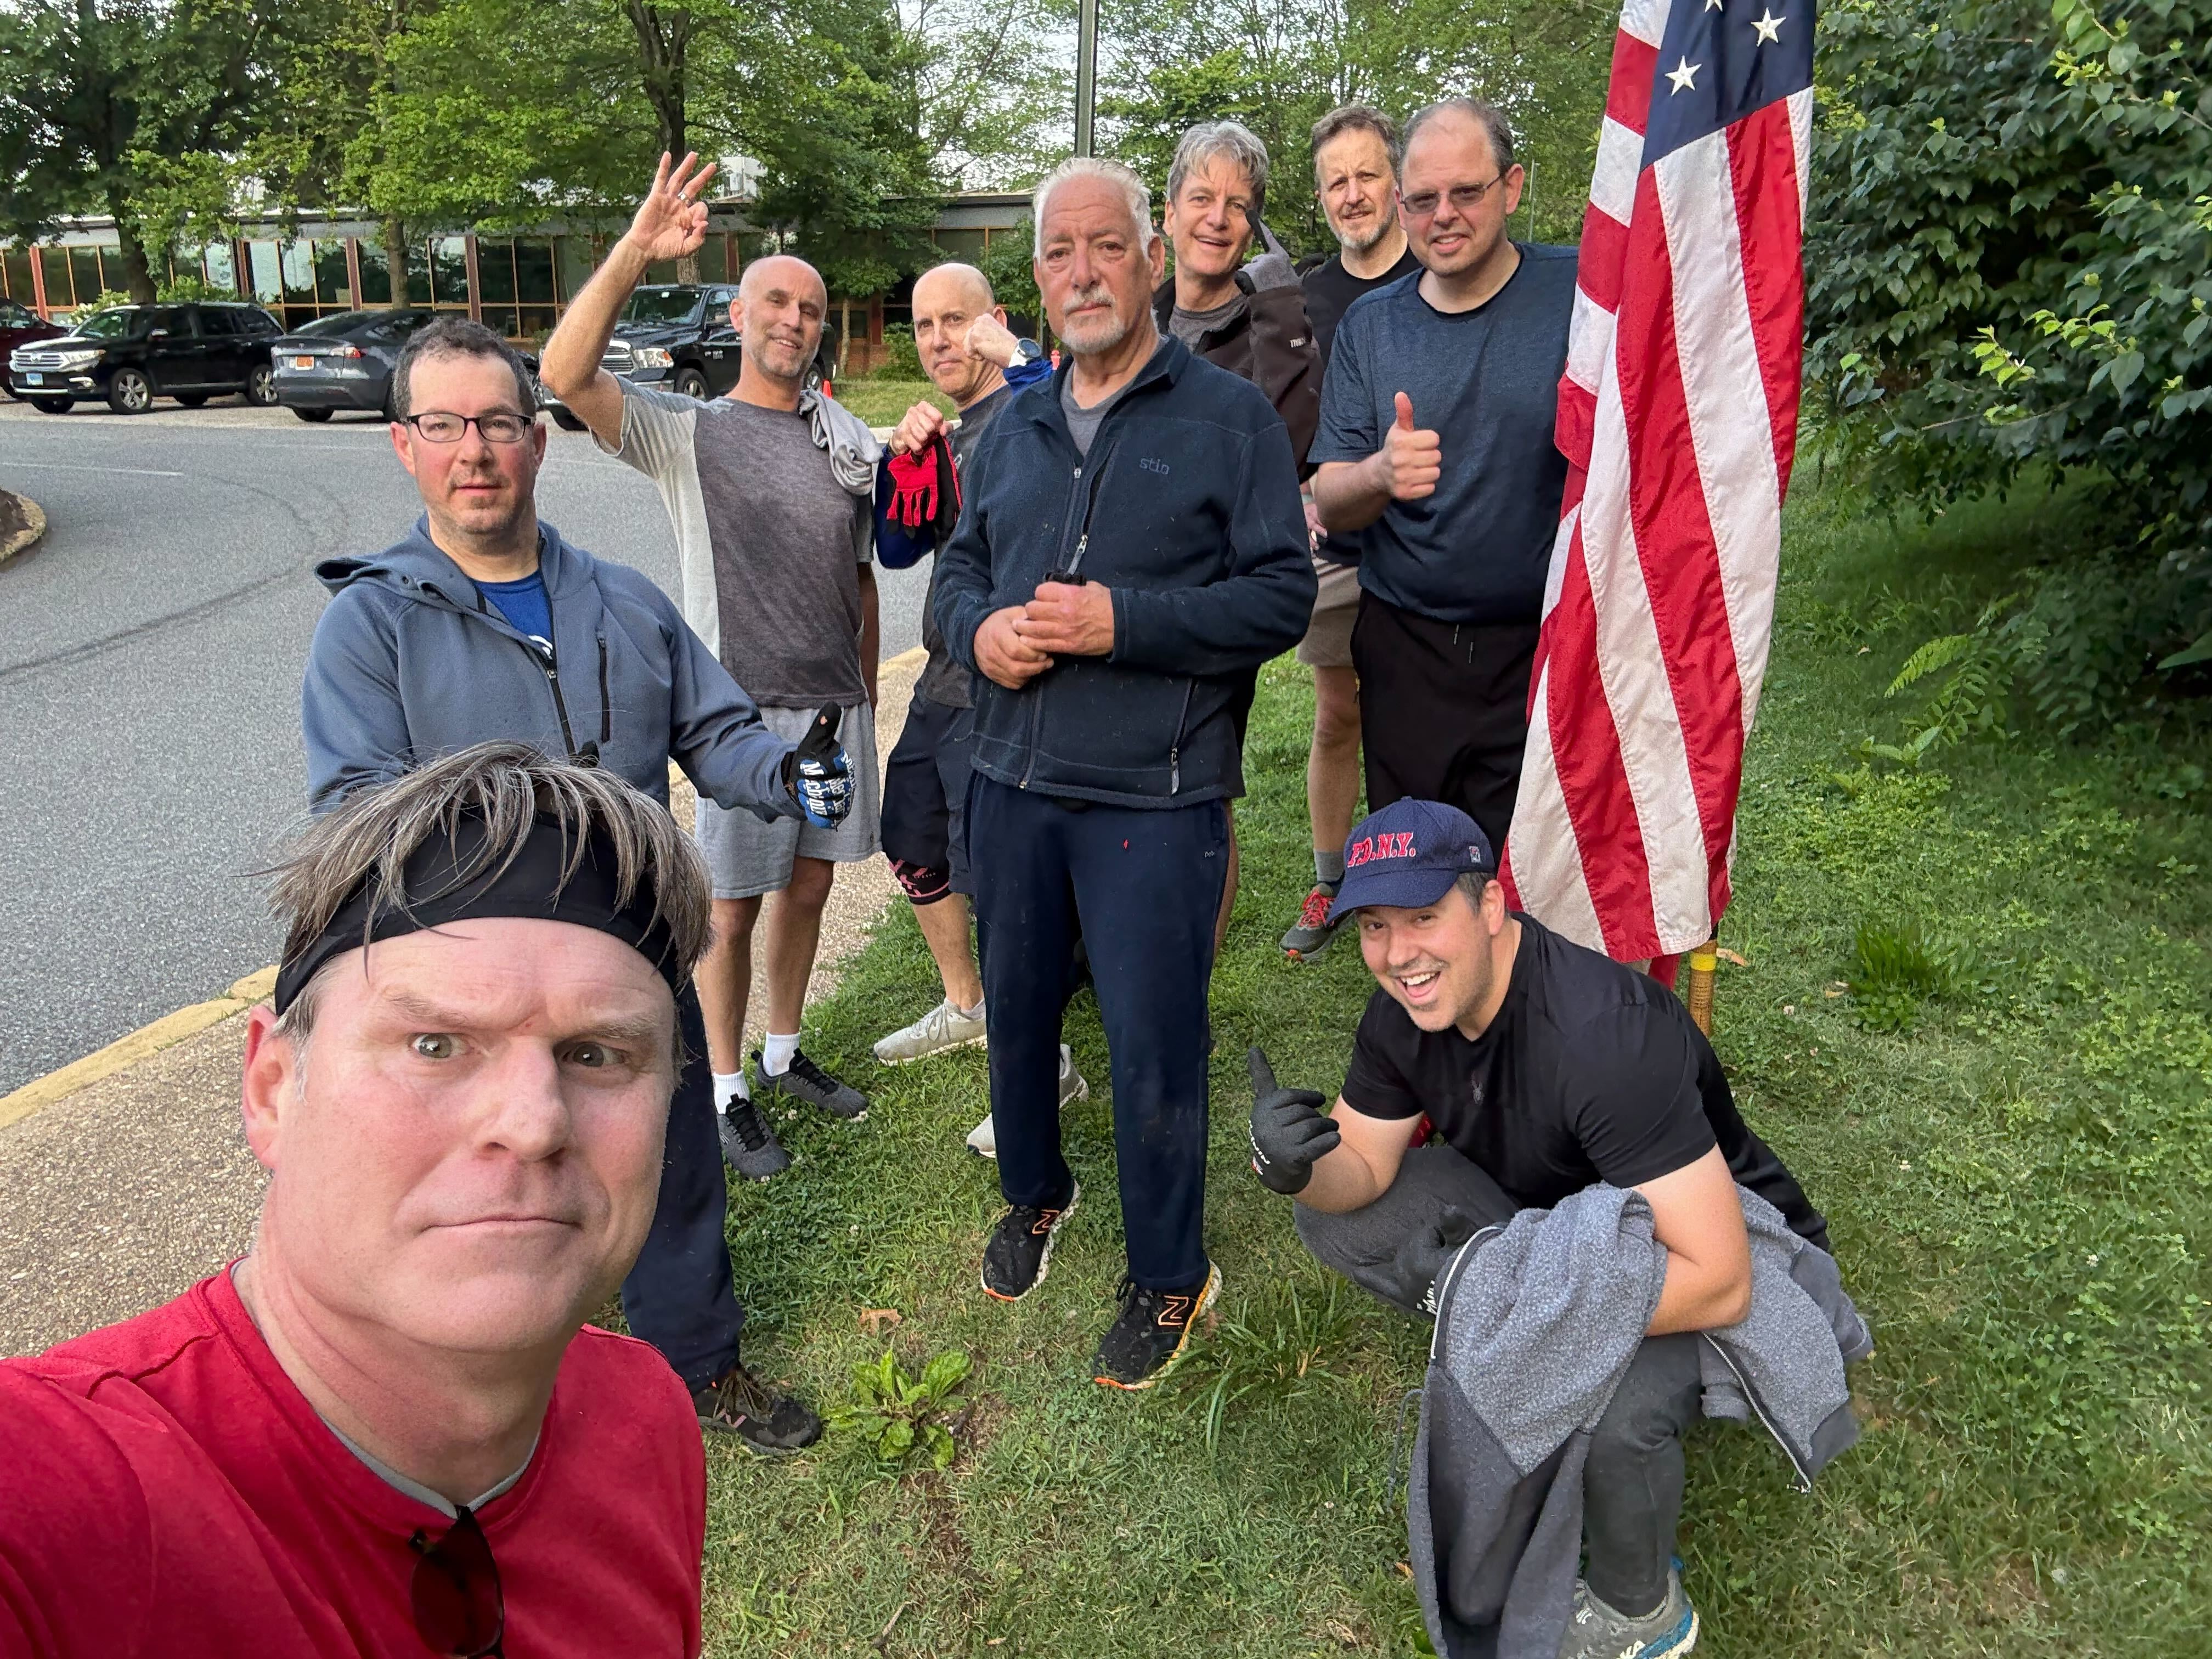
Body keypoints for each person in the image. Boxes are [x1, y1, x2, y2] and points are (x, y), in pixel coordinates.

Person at [0, 746, 724, 1655]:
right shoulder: (60, 1499)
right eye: (435, 1045)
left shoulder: (643, 1418)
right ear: (271, 1088)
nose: (533, 1123)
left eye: (597, 1055)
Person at [301, 315, 843, 1454]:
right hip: (467, 991)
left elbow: (718, 733)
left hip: (632, 962)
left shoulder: (626, 602)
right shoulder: (370, 624)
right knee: (491, 1193)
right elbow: (358, 812)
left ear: (538, 441)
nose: (475, 451)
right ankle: (491, 1401)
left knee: (669, 1166)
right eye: (443, 425)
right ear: (404, 445)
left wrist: (785, 773)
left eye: (499, 423)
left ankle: (697, 1367)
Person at [1246, 797, 1833, 1659]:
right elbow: (1362, 1168)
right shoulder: (1406, 1011)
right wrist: (1292, 1166)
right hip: (1558, 1222)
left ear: (1490, 906)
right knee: (1336, 1219)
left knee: (1616, 1405)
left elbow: (1722, 1281)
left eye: (1423, 917)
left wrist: (1491, 1297)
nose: (1399, 954)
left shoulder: (1603, 1040)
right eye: (1374, 926)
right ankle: (1504, 1332)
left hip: (1723, 1253)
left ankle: (1644, 1611)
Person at [934, 156, 1316, 1389]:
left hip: (1155, 793)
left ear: (1151, 261)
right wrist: (977, 632)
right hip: (1011, 777)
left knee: (1155, 1039)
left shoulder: (1228, 419)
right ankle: (1035, 1191)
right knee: (1017, 1011)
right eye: (1060, 252)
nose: (1085, 272)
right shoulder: (1015, 424)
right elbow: (955, 573)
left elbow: (1281, 595)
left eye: (1108, 247)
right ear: (1038, 276)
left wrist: (1124, 623)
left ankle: (1169, 1270)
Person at [540, 152, 882, 1154]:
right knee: (729, 913)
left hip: (837, 711)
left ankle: (783, 1051)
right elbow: (564, 375)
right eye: (776, 301)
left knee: (810, 889)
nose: (794, 320)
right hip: (740, 721)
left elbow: (863, 580)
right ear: (738, 315)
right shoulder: (688, 432)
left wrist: (865, 699)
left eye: (811, 309)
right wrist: (636, 250)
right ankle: (726, 1088)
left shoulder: (844, 442)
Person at [1310, 98, 1578, 853]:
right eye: (1424, 199)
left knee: (1523, 872)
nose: (1445, 215)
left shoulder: (1580, 294)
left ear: (1512, 187)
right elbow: (1331, 497)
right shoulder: (1371, 325)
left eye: (1467, 192)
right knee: (1418, 866)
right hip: (1407, 648)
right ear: (1403, 207)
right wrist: (1379, 473)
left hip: (1541, 647)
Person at [866, 261, 1091, 1156]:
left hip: (1016, 690)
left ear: (993, 320)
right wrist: (901, 463)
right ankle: (968, 1004)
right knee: (910, 836)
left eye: (955, 321)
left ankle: (1045, 1065)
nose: (939, 341)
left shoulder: (1040, 408)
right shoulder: (949, 434)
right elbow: (895, 549)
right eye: (924, 326)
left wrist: (1023, 355)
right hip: (946, 676)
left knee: (1007, 886)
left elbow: (1078, 412)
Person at [1153, 117, 1324, 962]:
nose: (1217, 218)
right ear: (1169, 211)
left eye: (1238, 205)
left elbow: (1288, 453)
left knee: (1201, 792)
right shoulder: (1134, 313)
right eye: (1201, 198)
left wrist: (1285, 316)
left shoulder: (1270, 330)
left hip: (1209, 603)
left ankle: (1189, 981)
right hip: (1116, 590)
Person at [1279, 104, 1425, 963]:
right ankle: (1334, 881)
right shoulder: (1305, 298)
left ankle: (1422, 872)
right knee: (1340, 713)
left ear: (1397, 182)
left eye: (1367, 174)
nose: (1353, 194)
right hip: (1337, 546)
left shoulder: (1438, 272)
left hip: (1431, 537)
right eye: (1336, 181)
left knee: (1420, 713)